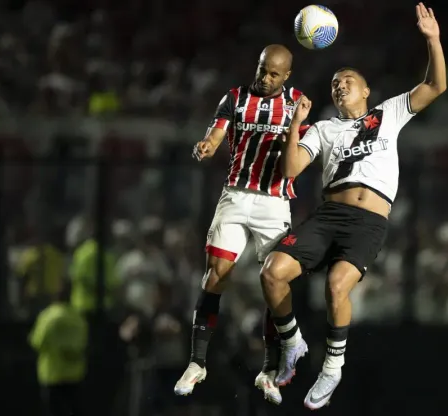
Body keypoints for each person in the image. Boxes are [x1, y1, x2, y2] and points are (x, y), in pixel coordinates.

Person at [259, 3, 447, 409]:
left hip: (368, 222)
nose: (340, 85)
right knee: (273, 273)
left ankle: (332, 367)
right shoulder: (324, 127)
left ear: (366, 92)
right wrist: (295, 123)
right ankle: (292, 343)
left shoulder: (388, 113)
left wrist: (432, 39)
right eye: (334, 82)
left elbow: (435, 86)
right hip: (329, 216)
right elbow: (291, 167)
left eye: (348, 80)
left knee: (336, 286)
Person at [173, 44, 310, 405]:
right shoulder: (234, 98)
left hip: (275, 202)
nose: (265, 79)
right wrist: (207, 145)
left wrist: (293, 132)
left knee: (273, 282)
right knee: (216, 274)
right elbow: (216, 135)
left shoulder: (299, 104)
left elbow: (296, 158)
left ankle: (268, 369)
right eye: (262, 70)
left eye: (273, 74)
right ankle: (197, 362)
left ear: (287, 76)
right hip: (235, 194)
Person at [29, 281, 89, 416]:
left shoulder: (48, 316)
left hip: (52, 374)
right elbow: (84, 343)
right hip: (75, 374)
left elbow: (37, 342)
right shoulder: (78, 317)